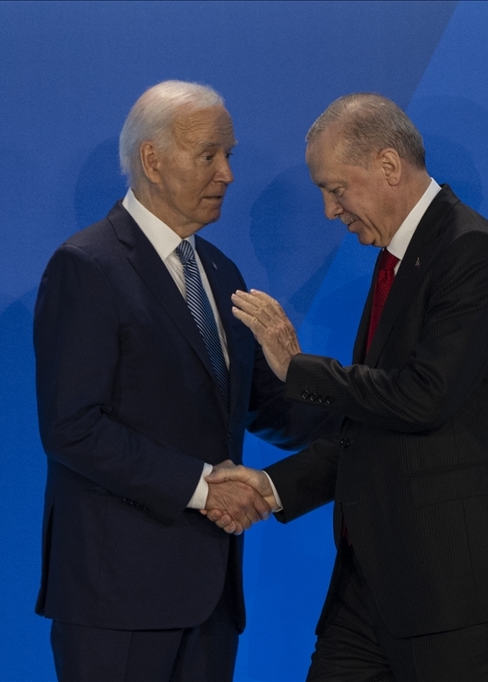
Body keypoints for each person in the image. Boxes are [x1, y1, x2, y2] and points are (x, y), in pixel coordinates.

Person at [208, 93, 488, 681]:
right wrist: (272, 487)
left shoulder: (471, 250)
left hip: (457, 589)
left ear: (388, 166)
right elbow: (373, 430)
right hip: (373, 581)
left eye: (336, 189)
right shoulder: (395, 262)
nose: (330, 210)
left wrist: (298, 368)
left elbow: (423, 397)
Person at [33, 80, 334, 681]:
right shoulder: (88, 265)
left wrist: (352, 403)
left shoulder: (220, 271)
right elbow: (73, 427)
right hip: (117, 600)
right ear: (152, 160)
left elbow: (264, 407)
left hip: (210, 599)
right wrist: (203, 488)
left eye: (229, 155)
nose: (227, 173)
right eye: (208, 155)